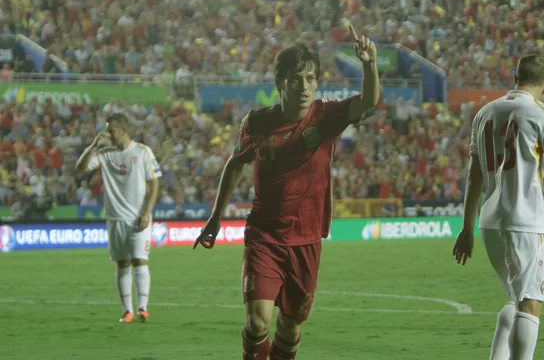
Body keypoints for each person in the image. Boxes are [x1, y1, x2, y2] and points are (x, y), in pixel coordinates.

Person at [194, 25, 379, 360]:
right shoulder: (257, 123)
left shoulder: (327, 116)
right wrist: (215, 216)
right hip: (264, 236)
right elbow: (235, 165)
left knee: (290, 329)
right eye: (296, 78)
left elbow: (368, 100)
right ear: (280, 83)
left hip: (307, 240)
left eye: (310, 79)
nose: (305, 86)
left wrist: (369, 64)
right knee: (256, 323)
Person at [452, 54, 544, 360]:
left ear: (515, 76)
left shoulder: (484, 113)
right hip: (526, 223)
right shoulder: (542, 113)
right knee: (530, 305)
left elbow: (473, 176)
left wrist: (466, 228)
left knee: (516, 302)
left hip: (490, 224)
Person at [76, 113, 161, 323]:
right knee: (122, 263)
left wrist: (147, 212)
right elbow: (80, 168)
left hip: (138, 217)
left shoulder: (142, 152)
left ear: (123, 130)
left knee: (140, 260)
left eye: (110, 129)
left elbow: (154, 183)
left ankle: (142, 308)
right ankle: (127, 311)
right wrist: (94, 144)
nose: (107, 133)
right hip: (115, 218)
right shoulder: (104, 153)